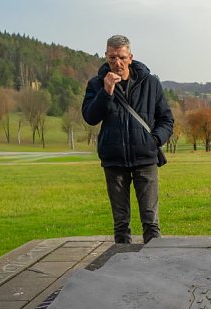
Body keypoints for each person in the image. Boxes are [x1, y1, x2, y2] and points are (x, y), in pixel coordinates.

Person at [82, 35, 174, 244]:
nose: (117, 63)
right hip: (114, 161)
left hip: (145, 159)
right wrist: (106, 92)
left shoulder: (150, 83)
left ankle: (154, 267)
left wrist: (155, 140)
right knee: (121, 224)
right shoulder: (97, 84)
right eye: (112, 57)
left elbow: (166, 119)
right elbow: (90, 117)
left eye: (122, 57)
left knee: (151, 221)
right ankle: (120, 270)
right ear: (106, 56)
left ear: (131, 57)